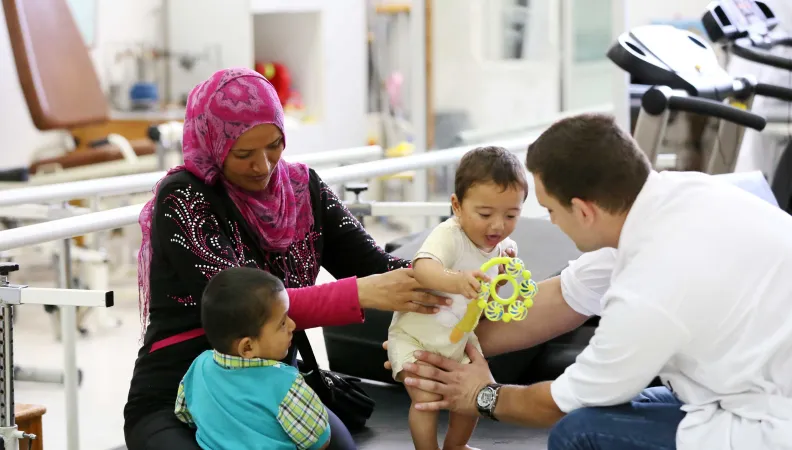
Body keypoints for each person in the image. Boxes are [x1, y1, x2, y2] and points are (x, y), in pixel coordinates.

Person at [386, 113, 792, 450]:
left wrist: (481, 395)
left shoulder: (649, 287)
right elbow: (562, 299)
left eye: (549, 210)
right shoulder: (680, 196)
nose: (551, 222)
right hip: (748, 390)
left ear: (583, 210)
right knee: (610, 407)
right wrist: (434, 345)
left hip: (768, 427)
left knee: (578, 432)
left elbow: (558, 403)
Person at [123, 67, 449, 450]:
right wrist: (360, 293)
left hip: (270, 388)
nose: (263, 166)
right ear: (212, 143)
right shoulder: (184, 198)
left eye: (274, 145)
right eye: (243, 154)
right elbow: (245, 307)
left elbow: (377, 267)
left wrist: (456, 277)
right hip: (181, 392)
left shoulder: (304, 189)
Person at [387, 146, 526, 450]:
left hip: (458, 341)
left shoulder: (504, 248)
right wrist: (457, 280)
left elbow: (486, 303)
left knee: (472, 398)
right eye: (485, 214)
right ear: (457, 206)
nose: (498, 225)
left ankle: (455, 446)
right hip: (415, 338)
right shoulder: (450, 235)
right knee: (426, 400)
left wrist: (501, 280)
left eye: (511, 215)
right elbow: (423, 269)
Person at [176, 267, 330, 450]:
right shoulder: (285, 385)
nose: (292, 325)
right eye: (282, 323)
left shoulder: (199, 367)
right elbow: (320, 441)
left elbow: (184, 414)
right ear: (247, 347)